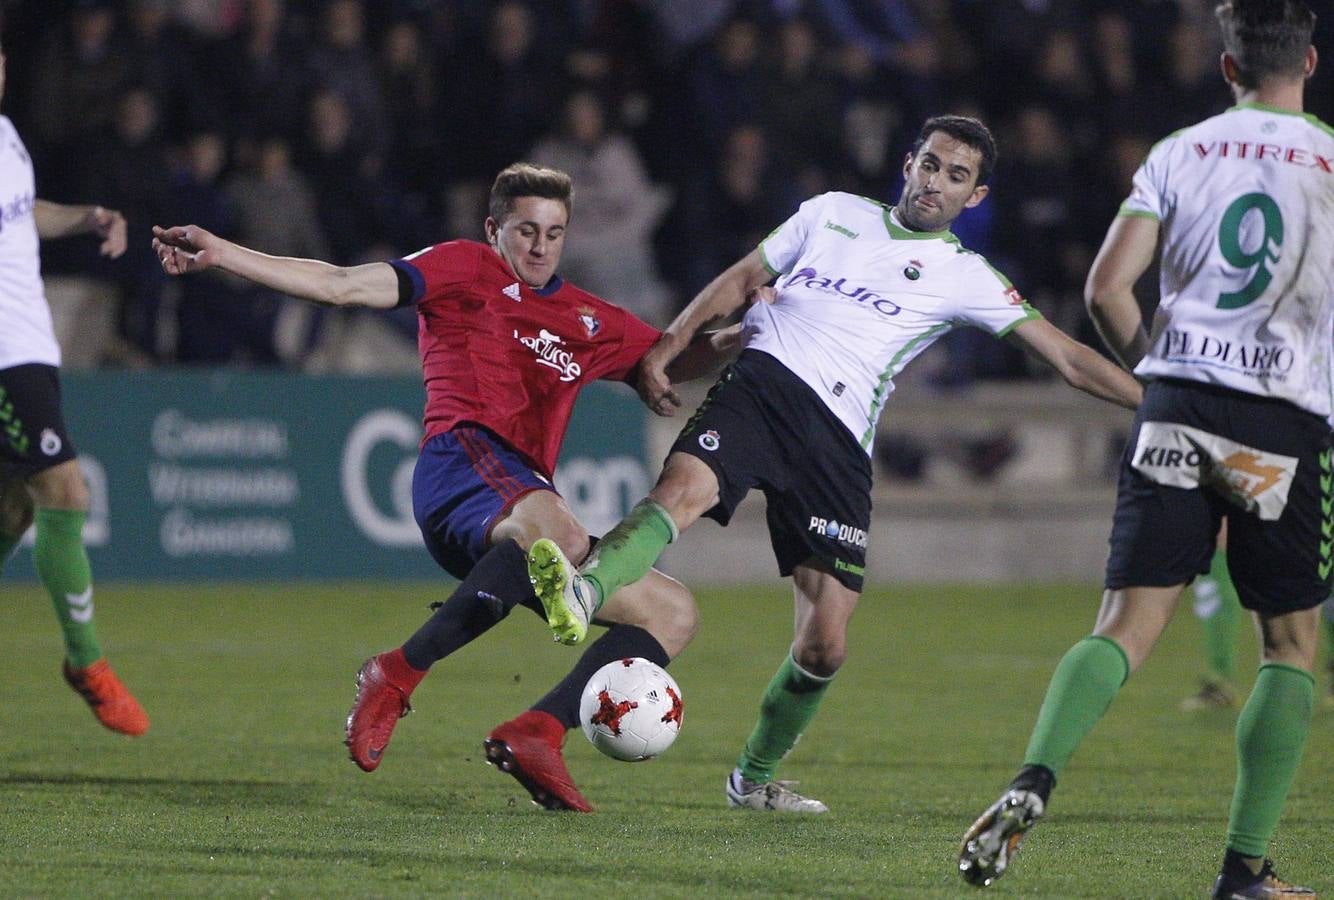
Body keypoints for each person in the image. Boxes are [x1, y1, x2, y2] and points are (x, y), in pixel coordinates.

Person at [525, 114, 1144, 813]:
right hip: (764, 382)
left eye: (957, 176)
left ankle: (752, 781)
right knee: (682, 492)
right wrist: (670, 343)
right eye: (932, 165)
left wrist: (1154, 401)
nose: (937, 183)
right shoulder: (834, 214)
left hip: (840, 441)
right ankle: (582, 591)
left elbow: (1066, 356)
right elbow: (745, 276)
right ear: (909, 163)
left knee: (824, 646)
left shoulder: (965, 275)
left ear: (976, 197)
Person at [153, 162, 739, 811]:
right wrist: (224, 252)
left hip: (520, 509)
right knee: (558, 529)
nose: (539, 246)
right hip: (461, 464)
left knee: (672, 611)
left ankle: (538, 732)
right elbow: (343, 285)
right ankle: (395, 673)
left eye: (554, 232)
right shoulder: (464, 267)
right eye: (525, 230)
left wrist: (748, 334)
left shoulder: (585, 318)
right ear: (494, 230)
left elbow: (676, 358)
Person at [957, 3, 1332, 896]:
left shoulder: (1181, 151)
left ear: (1227, 69)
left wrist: (1160, 374)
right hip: (1280, 423)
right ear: (1309, 62)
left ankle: (1034, 778)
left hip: (1176, 404)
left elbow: (1106, 288)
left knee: (1124, 626)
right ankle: (1244, 871)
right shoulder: (1329, 157)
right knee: (1286, 647)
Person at [0, 42, 147, 736]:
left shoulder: (4, 136)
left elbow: (23, 213)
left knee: (12, 513)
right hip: (3, 354)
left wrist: (86, 216)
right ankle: (85, 661)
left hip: (31, 344)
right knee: (65, 489)